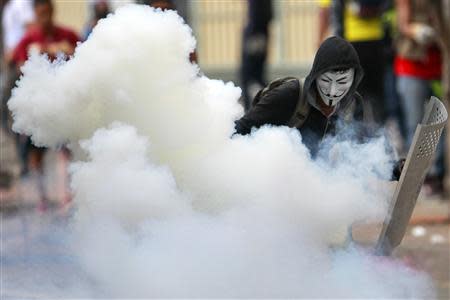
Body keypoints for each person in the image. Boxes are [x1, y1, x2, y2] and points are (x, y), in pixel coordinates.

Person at [234, 36, 374, 156]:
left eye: (342, 82)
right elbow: (240, 129)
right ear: (315, 76)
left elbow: (359, 155)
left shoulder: (353, 104)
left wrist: (393, 168)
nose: (332, 91)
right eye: (326, 80)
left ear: (354, 80)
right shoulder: (289, 95)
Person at [11, 0, 80, 211]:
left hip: (61, 101)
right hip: (38, 104)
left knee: (65, 149)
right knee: (36, 153)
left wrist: (62, 52)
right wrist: (38, 56)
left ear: (52, 11)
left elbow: (82, 56)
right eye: (41, 14)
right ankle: (42, 196)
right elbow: (18, 65)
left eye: (47, 12)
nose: (45, 17)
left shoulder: (67, 34)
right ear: (36, 14)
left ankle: (66, 194)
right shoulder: (29, 39)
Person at [394, 0, 444, 195]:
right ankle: (414, 178)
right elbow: (403, 23)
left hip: (437, 68)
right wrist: (415, 31)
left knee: (439, 125)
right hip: (411, 66)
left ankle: (436, 175)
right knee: (415, 125)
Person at [331, 0, 387, 124]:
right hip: (358, 42)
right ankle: (361, 133)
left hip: (372, 41)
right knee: (359, 94)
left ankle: (377, 131)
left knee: (372, 95)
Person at [239, 0, 272, 111]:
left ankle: (250, 110)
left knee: (249, 76)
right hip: (260, 28)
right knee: (257, 75)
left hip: (255, 29)